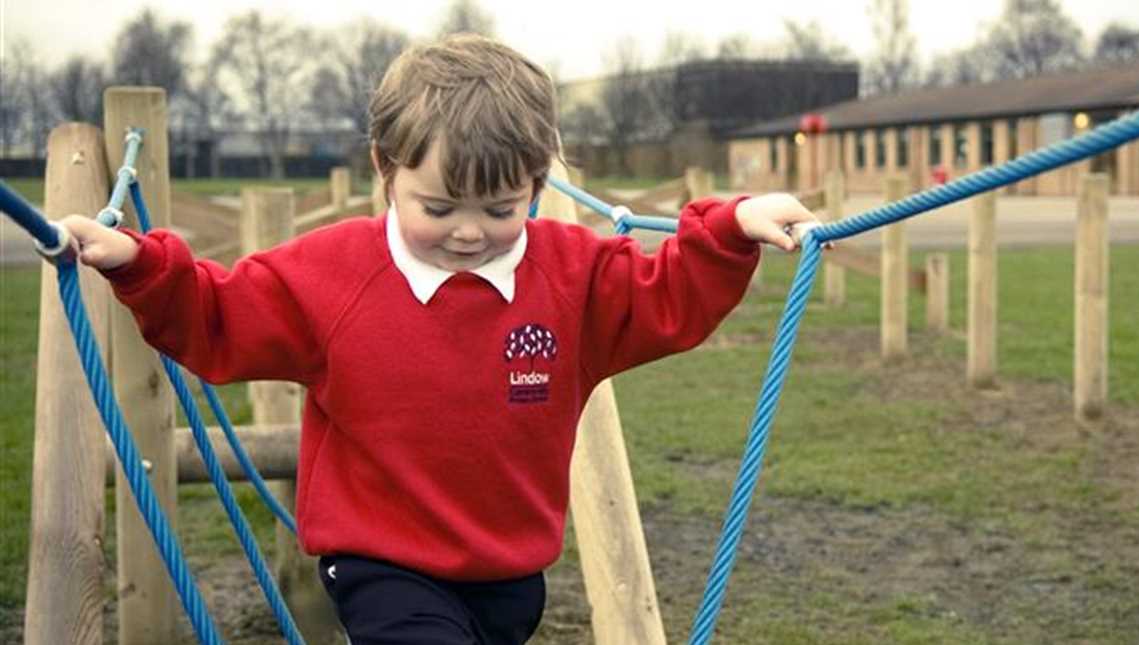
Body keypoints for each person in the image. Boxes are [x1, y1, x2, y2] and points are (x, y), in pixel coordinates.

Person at [60, 34, 822, 645]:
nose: (468, 231)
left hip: (511, 571)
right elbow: (220, 316)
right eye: (440, 205)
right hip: (380, 562)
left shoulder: (574, 278)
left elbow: (670, 300)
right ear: (385, 169)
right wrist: (143, 267)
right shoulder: (333, 274)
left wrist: (729, 232)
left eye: (499, 209)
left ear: (537, 182)